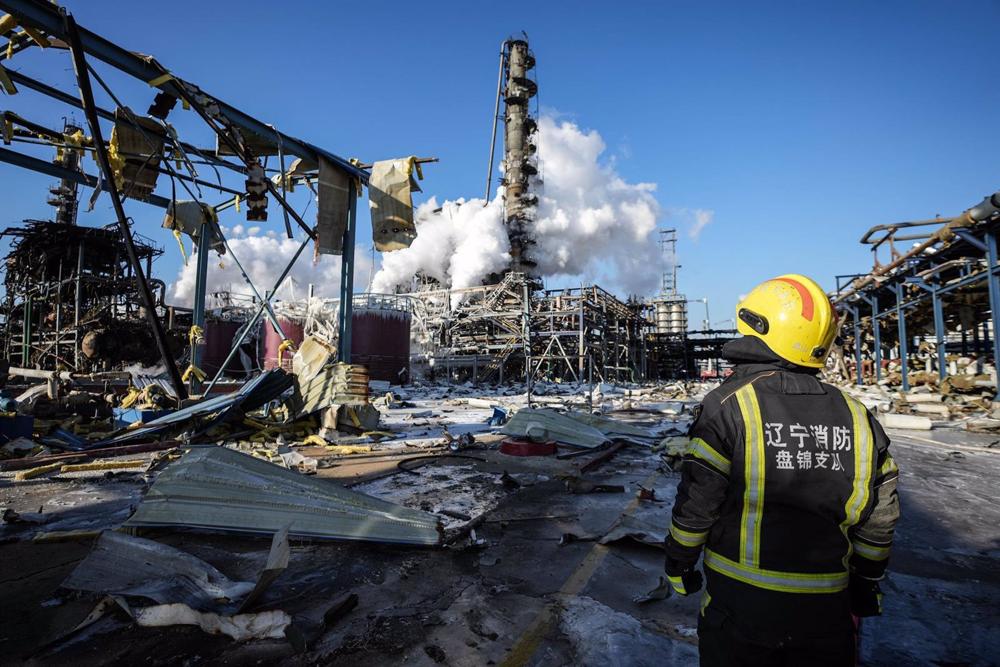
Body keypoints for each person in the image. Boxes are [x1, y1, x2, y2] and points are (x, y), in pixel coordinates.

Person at [664, 274, 900, 666]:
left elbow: (696, 505)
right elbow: (881, 518)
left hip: (741, 610)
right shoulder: (858, 417)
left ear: (758, 328)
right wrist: (866, 581)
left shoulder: (729, 406)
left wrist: (679, 562)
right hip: (828, 611)